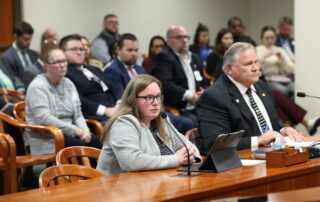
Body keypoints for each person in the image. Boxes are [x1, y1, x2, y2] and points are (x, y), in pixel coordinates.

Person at [197, 42, 305, 152]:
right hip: (243, 162)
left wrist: (284, 130)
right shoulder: (214, 97)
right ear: (229, 69)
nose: (255, 68)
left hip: (275, 153)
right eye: (248, 64)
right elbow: (214, 143)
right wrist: (258, 140)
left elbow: (271, 126)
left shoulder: (261, 86)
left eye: (256, 62)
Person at [97, 75, 201, 175]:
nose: (156, 102)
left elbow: (185, 144)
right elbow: (131, 162)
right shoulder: (123, 124)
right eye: (149, 97)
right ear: (133, 100)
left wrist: (190, 154)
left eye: (158, 97)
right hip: (115, 187)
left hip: (154, 182)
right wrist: (176, 159)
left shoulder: (162, 119)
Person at [103, 33, 195, 134]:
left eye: (136, 50)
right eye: (129, 50)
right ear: (118, 50)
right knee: (186, 123)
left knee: (188, 123)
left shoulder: (139, 68)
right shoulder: (112, 70)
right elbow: (122, 100)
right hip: (136, 115)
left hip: (153, 110)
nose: (134, 54)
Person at [25, 48, 101, 155]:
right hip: (49, 137)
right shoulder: (37, 86)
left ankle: (100, 172)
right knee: (82, 149)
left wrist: (85, 131)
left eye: (64, 61)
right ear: (46, 66)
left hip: (73, 134)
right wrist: (75, 130)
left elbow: (78, 114)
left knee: (100, 143)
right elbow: (44, 118)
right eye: (57, 62)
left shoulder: (69, 84)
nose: (62, 65)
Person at [152, 25, 207, 124]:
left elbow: (203, 82)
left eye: (186, 37)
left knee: (218, 117)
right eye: (179, 37)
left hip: (198, 106)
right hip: (177, 108)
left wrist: (204, 92)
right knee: (194, 122)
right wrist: (190, 96)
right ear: (168, 41)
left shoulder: (195, 58)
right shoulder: (164, 57)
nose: (184, 40)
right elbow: (165, 84)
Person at [60, 34, 118, 124]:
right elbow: (77, 99)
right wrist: (105, 111)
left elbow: (115, 87)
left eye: (81, 49)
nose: (79, 52)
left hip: (116, 110)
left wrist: (120, 103)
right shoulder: (64, 73)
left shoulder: (94, 69)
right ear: (62, 52)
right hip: (96, 118)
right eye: (74, 49)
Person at [256, 26, 294, 97]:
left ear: (275, 38)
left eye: (272, 38)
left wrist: (282, 59)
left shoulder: (279, 49)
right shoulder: (258, 49)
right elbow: (258, 66)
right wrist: (266, 57)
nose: (270, 40)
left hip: (280, 76)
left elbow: (290, 68)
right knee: (284, 91)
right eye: (267, 38)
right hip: (266, 78)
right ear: (262, 38)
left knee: (295, 88)